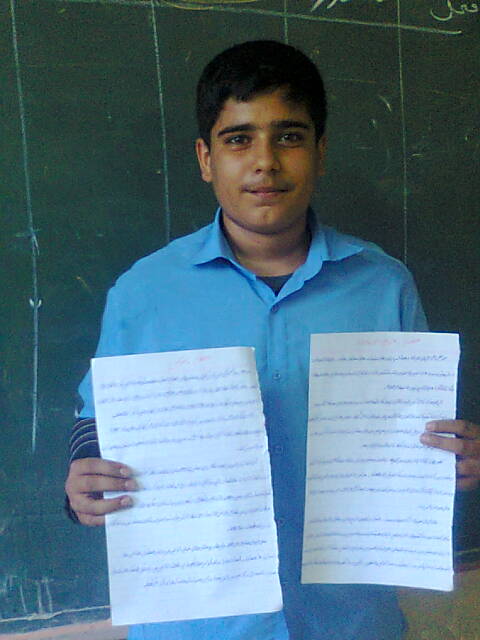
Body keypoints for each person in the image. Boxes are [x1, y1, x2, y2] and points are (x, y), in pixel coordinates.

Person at [65, 40, 480, 640]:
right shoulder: (145, 292)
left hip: (348, 620)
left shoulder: (383, 285)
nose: (265, 161)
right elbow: (97, 421)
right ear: (206, 158)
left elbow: (422, 430)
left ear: (320, 151)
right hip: (199, 624)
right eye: (238, 139)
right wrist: (84, 476)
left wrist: (454, 458)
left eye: (289, 136)